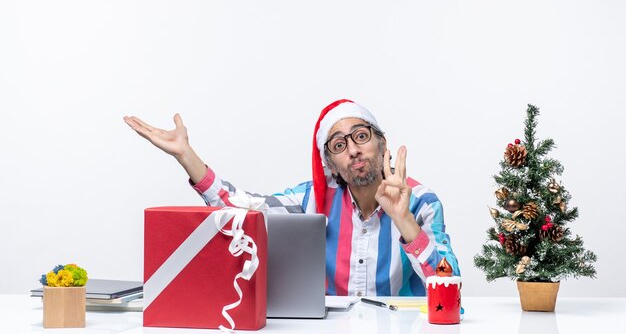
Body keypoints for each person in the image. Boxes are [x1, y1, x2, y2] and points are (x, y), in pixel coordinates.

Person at [124, 99, 460, 296]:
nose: (354, 150)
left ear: (383, 144)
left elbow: (451, 293)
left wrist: (405, 223)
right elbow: (243, 209)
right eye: (339, 145)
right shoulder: (310, 200)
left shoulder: (422, 202)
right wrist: (187, 156)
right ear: (331, 164)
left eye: (361, 136)